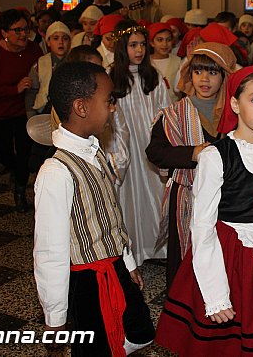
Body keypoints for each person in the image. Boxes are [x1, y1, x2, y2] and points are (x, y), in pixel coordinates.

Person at [155, 64, 253, 356]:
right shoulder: (216, 156)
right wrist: (215, 295)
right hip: (232, 258)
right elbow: (202, 226)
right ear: (234, 104)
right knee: (229, 339)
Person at [34, 61, 155, 356]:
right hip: (86, 281)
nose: (113, 108)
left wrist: (127, 263)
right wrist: (55, 319)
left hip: (113, 267)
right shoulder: (56, 172)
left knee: (140, 332)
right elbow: (50, 251)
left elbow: (110, 214)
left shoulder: (94, 150)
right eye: (108, 100)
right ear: (82, 107)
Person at [146, 42, 236, 290]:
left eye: (213, 72)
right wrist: (192, 153)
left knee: (221, 252)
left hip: (226, 197)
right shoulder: (173, 114)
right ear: (189, 75)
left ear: (225, 77)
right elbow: (155, 152)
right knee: (184, 254)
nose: (204, 79)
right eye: (198, 72)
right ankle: (182, 303)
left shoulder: (236, 113)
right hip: (186, 194)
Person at [108, 20, 171, 264]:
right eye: (133, 45)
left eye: (142, 44)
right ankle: (131, 250)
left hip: (149, 144)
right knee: (128, 197)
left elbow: (164, 110)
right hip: (123, 145)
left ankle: (157, 248)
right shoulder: (111, 76)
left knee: (154, 193)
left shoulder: (152, 75)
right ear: (122, 47)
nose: (139, 50)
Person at [0, 8, 43, 211]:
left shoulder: (33, 50)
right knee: (5, 154)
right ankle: (15, 172)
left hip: (23, 112)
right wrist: (13, 89)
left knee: (24, 153)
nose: (23, 34)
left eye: (26, 29)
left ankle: (20, 191)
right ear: (4, 33)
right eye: (17, 30)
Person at [26, 21, 71, 119]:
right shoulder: (40, 64)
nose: (61, 42)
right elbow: (32, 92)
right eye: (55, 38)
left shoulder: (74, 62)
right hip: (44, 110)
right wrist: (31, 116)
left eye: (65, 38)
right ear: (48, 42)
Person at [148, 22, 181, 102]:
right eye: (160, 40)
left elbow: (180, 91)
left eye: (168, 40)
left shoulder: (178, 62)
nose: (165, 44)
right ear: (152, 43)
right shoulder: (146, 63)